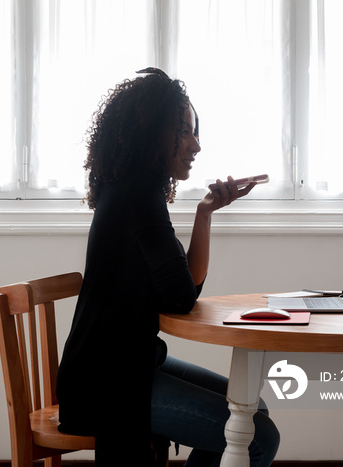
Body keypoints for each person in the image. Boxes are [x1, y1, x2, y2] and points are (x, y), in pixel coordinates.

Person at [55, 68, 280, 466]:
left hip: (124, 363)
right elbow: (180, 298)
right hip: (107, 382)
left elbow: (180, 291)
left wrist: (205, 214)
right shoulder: (139, 194)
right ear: (153, 134)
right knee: (257, 436)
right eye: (185, 132)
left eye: (195, 134)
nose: (195, 145)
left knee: (253, 410)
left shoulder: (136, 190)